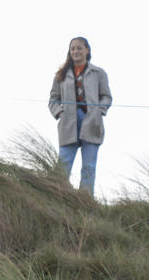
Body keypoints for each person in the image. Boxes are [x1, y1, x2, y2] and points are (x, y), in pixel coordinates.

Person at [48, 37, 112, 195]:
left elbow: (106, 97)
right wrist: (59, 112)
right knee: (63, 165)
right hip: (68, 124)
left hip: (92, 123)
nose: (75, 51)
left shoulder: (98, 73)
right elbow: (53, 100)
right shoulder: (61, 75)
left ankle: (85, 201)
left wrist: (99, 111)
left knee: (89, 167)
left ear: (87, 50)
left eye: (79, 48)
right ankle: (56, 197)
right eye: (72, 49)